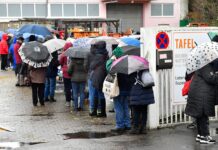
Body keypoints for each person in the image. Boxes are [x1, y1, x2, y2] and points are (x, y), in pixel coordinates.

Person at [185, 63, 218, 144]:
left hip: (199, 92)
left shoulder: (199, 64)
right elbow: (210, 78)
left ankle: (200, 135)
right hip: (201, 94)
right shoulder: (205, 65)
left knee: (200, 115)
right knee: (203, 115)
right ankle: (204, 136)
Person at [106, 47, 134, 132]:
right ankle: (127, 124)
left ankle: (120, 125)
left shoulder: (115, 63)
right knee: (125, 106)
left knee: (118, 107)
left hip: (118, 89)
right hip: (127, 88)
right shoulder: (127, 62)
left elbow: (108, 68)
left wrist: (111, 59)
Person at [129, 70, 155, 134]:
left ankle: (136, 128)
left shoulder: (133, 71)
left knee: (136, 111)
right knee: (144, 111)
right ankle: (143, 128)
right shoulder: (146, 70)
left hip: (137, 93)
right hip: (146, 93)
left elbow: (130, 81)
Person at [89, 41, 109, 117]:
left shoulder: (97, 55)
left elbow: (92, 66)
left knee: (96, 94)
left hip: (97, 75)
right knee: (101, 94)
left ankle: (95, 111)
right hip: (103, 75)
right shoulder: (106, 54)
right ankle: (102, 112)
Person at [59, 42, 73, 106]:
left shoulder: (64, 54)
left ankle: (68, 101)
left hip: (65, 73)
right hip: (73, 72)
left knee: (67, 87)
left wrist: (64, 66)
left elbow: (60, 62)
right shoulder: (74, 53)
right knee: (73, 87)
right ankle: (74, 99)